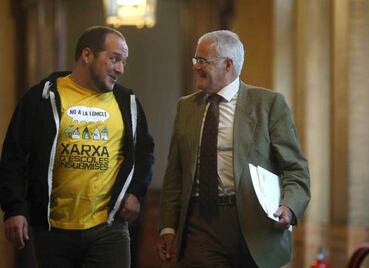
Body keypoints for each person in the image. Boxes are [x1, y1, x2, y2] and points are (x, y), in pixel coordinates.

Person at [0, 26, 154, 267]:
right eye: (114, 59)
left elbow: (145, 153)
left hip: (109, 227)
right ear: (87, 55)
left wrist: (136, 192)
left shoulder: (128, 102)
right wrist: (14, 209)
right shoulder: (42, 98)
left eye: (123, 61)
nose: (120, 69)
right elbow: (13, 157)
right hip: (53, 230)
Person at [157, 30, 310, 267]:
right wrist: (168, 225)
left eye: (203, 61)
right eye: (195, 60)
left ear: (228, 65)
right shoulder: (186, 107)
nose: (196, 66)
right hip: (200, 223)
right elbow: (174, 175)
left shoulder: (268, 105)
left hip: (254, 224)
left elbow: (295, 168)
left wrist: (289, 207)